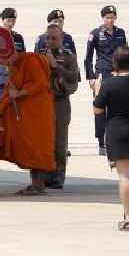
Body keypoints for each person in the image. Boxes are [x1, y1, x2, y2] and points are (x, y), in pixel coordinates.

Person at [92, 45, 129, 230]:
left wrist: (96, 90)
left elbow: (98, 109)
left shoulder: (109, 84)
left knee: (125, 176)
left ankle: (128, 217)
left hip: (117, 130)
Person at [0, 32, 55, 195]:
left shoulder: (30, 60)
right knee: (30, 147)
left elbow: (41, 83)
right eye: (1, 61)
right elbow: (7, 94)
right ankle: (36, 185)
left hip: (39, 112)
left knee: (38, 146)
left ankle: (39, 185)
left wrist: (20, 93)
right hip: (26, 115)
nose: (4, 63)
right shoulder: (13, 67)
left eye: (5, 59)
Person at [38, 24, 79, 190]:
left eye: (54, 38)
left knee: (59, 141)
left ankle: (58, 176)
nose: (50, 41)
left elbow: (73, 76)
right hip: (42, 103)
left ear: (61, 38)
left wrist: (56, 66)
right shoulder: (39, 55)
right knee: (44, 140)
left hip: (60, 101)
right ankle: (45, 175)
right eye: (48, 38)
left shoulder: (68, 56)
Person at [85, 5, 128, 156]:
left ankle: (115, 141)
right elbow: (88, 58)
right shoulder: (95, 33)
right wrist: (90, 77)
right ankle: (101, 143)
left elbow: (125, 53)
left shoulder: (120, 33)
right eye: (107, 17)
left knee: (117, 109)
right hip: (101, 75)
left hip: (117, 74)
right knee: (100, 109)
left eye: (112, 17)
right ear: (102, 18)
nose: (110, 20)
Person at [0, 8, 26, 104]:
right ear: (2, 20)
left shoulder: (18, 38)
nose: (11, 23)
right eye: (8, 20)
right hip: (1, 82)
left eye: (13, 20)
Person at [33, 9, 79, 76]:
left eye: (60, 21)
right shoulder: (41, 39)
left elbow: (73, 60)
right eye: (55, 21)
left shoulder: (68, 38)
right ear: (49, 23)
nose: (58, 24)